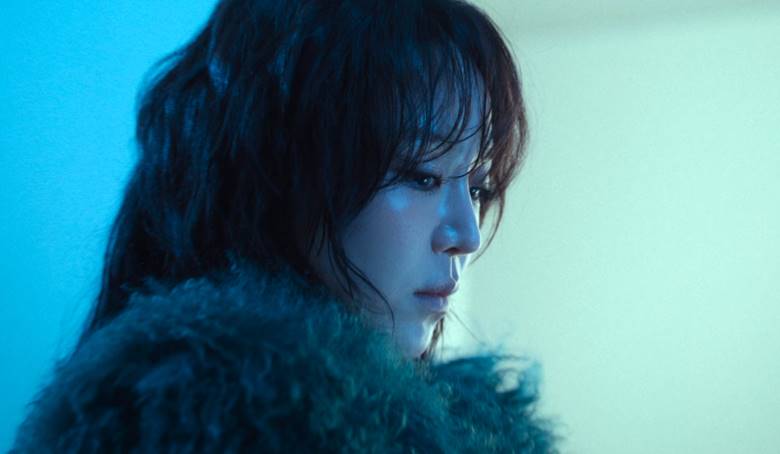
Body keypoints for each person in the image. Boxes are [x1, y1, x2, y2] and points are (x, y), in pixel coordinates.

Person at [12, 0, 558, 451]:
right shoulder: (202, 421)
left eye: (477, 187)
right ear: (279, 180)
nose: (466, 234)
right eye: (421, 175)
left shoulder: (457, 426)